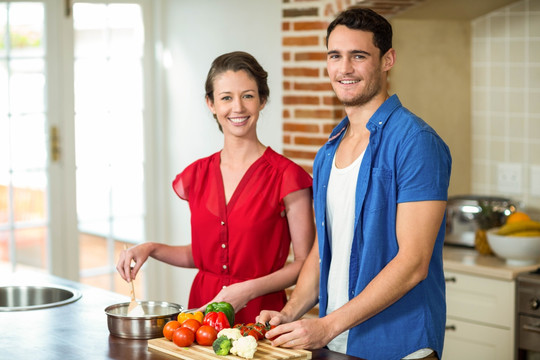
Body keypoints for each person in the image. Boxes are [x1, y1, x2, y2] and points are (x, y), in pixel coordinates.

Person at [258, 7, 452, 360]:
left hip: (400, 348)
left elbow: (414, 262)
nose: (344, 69)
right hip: (339, 345)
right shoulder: (328, 151)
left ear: (387, 59)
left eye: (358, 56)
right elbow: (325, 248)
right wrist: (290, 314)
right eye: (335, 56)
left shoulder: (415, 142)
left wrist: (328, 325)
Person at [117, 51, 315, 324]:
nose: (238, 108)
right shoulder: (195, 175)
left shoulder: (287, 177)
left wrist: (248, 289)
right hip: (201, 313)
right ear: (210, 103)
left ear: (262, 100)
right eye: (226, 98)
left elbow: (304, 263)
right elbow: (201, 255)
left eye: (248, 96)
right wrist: (150, 248)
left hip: (262, 314)